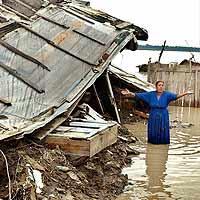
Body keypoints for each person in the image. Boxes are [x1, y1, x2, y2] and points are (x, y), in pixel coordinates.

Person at [121, 80, 193, 144]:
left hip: (163, 115)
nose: (161, 87)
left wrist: (186, 93)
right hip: (153, 114)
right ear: (156, 87)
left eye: (162, 85)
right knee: (153, 128)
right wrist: (129, 93)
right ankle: (153, 143)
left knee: (163, 128)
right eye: (159, 85)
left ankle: (163, 144)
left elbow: (176, 96)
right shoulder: (150, 94)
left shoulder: (167, 94)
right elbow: (138, 95)